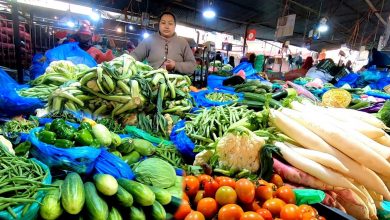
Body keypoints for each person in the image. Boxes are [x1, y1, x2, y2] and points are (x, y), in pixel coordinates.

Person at [130, 11, 196, 75]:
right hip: (152, 83)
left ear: (175, 26)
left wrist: (175, 65)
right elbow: (134, 56)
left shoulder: (182, 42)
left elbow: (192, 66)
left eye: (170, 23)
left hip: (177, 84)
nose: (166, 26)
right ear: (159, 24)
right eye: (163, 23)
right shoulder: (149, 40)